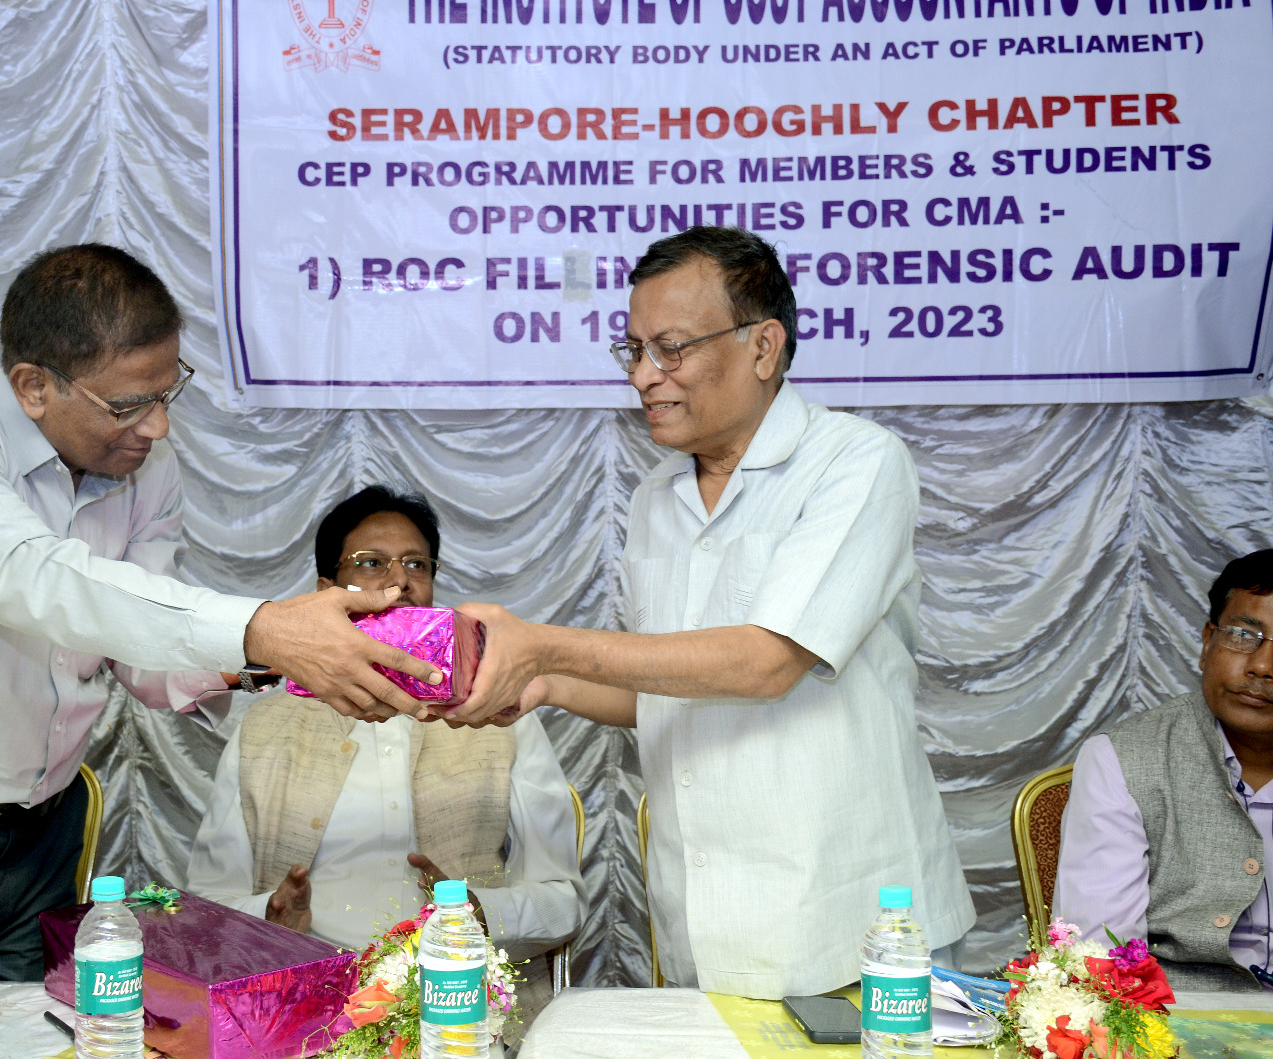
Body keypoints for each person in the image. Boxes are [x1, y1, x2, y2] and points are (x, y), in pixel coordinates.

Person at [0, 245, 445, 985]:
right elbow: (43, 580)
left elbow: (139, 637)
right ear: (34, 386)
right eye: (128, 405)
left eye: (169, 392)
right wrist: (265, 626)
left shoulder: (147, 469)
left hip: (41, 836)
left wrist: (275, 657)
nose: (158, 428)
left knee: (32, 1033)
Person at [450, 226, 976, 999]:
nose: (644, 376)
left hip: (853, 926)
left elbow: (764, 662)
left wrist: (542, 645)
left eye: (670, 348)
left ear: (763, 347)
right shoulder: (654, 499)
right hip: (705, 920)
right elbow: (664, 686)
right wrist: (542, 685)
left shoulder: (856, 462)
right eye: (633, 351)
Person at [187, 486, 584, 1027]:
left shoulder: (497, 714)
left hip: (459, 1011)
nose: (399, 581)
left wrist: (479, 912)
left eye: (416, 564)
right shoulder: (266, 726)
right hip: (298, 1015)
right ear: (325, 592)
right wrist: (271, 917)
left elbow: (563, 903)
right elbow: (209, 904)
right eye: (371, 563)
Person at [1055, 549, 1273, 992]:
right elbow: (1101, 958)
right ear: (1208, 642)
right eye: (1243, 635)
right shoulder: (1123, 759)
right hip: (1180, 1014)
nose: (1262, 666)